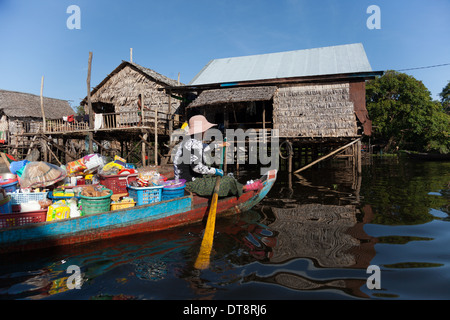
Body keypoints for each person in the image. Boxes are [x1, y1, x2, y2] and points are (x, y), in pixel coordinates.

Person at [173, 115, 262, 197]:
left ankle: (238, 186)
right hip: (189, 184)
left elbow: (204, 148)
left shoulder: (188, 141)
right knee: (228, 181)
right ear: (202, 131)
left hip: (183, 180)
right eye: (206, 130)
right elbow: (196, 167)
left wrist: (219, 145)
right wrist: (215, 171)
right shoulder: (194, 144)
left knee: (220, 177)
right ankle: (245, 188)